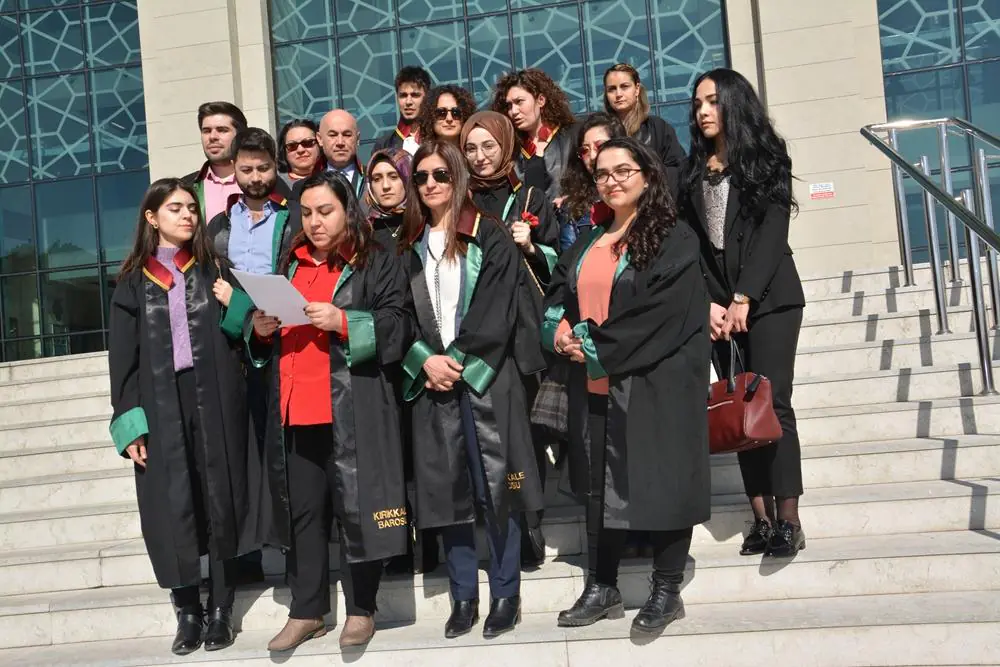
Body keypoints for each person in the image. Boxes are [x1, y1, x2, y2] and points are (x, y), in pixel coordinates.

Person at [544, 137, 710, 633]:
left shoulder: (673, 237)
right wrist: (559, 330)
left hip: (655, 381)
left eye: (622, 170)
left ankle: (667, 590)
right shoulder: (589, 240)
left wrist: (595, 345)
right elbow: (559, 294)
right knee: (599, 488)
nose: (611, 180)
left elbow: (660, 313)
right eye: (601, 173)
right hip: (597, 383)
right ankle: (603, 586)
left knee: (664, 481)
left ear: (647, 174)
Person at [251, 171, 410, 651]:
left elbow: (399, 324)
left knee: (355, 509)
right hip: (295, 409)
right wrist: (260, 330)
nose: (315, 222)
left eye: (325, 211)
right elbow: (267, 339)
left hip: (350, 406)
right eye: (307, 213)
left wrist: (343, 320)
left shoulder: (374, 258)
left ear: (348, 211)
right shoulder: (289, 262)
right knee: (304, 515)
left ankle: (362, 609)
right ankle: (306, 611)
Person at [399, 140, 545, 639]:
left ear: (458, 176)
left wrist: (456, 359)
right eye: (422, 176)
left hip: (486, 377)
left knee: (496, 489)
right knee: (448, 493)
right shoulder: (408, 242)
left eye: (440, 174)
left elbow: (498, 306)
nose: (431, 184)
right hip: (434, 381)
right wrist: (426, 360)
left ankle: (506, 594)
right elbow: (399, 313)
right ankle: (463, 597)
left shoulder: (490, 234)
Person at [108, 178, 257, 655]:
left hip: (215, 396)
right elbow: (123, 362)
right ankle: (188, 611)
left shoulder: (215, 269)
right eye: (175, 208)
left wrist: (236, 304)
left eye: (192, 207)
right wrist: (130, 424)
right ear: (152, 218)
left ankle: (221, 608)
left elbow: (247, 331)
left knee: (220, 496)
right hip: (159, 402)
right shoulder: (133, 282)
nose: (188, 215)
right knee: (172, 503)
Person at [680, 68, 806, 558]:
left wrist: (744, 297)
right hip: (718, 310)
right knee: (740, 407)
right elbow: (691, 245)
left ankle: (788, 519)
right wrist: (709, 303)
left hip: (770, 300)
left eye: (712, 101)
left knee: (773, 404)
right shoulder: (692, 169)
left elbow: (773, 233)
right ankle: (761, 519)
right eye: (697, 104)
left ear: (734, 103)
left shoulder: (768, 157)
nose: (703, 111)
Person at [460, 110, 559, 568]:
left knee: (528, 430)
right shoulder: (458, 202)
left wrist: (533, 246)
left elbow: (559, 262)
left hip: (523, 328)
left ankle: (531, 521)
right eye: (471, 148)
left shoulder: (530, 196)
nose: (480, 157)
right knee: (493, 428)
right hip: (478, 327)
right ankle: (503, 520)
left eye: (489, 146)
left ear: (506, 146)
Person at [491, 69, 577, 202]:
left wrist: (573, 199)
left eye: (519, 101)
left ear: (541, 100)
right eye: (509, 105)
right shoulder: (511, 150)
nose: (513, 111)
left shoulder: (573, 136)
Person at [603, 63, 686, 199]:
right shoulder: (602, 132)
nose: (618, 94)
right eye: (612, 89)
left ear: (636, 89)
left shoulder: (658, 128)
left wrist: (647, 181)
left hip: (655, 203)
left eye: (624, 86)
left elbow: (678, 169)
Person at [557, 112, 626, 253]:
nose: (592, 156)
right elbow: (569, 259)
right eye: (585, 150)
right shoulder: (572, 207)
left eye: (599, 146)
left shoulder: (641, 193)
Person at [182, 101, 247, 222]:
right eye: (206, 131)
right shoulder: (185, 187)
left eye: (222, 130)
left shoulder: (264, 182)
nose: (212, 137)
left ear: (240, 136)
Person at [374, 66, 432, 155]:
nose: (408, 102)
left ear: (427, 97)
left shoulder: (437, 139)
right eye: (403, 96)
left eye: (415, 95)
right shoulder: (383, 146)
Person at [364, 148, 411, 249]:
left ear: (407, 179)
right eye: (377, 179)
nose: (385, 186)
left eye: (393, 177)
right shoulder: (364, 232)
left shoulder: (423, 224)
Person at [319, 109, 365, 199]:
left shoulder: (372, 179)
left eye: (347, 135)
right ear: (320, 139)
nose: (340, 142)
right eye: (332, 135)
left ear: (357, 139)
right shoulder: (307, 185)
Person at [277, 119, 325, 190]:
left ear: (319, 144)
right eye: (292, 145)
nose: (300, 150)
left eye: (307, 143)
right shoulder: (275, 184)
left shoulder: (334, 176)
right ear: (283, 151)